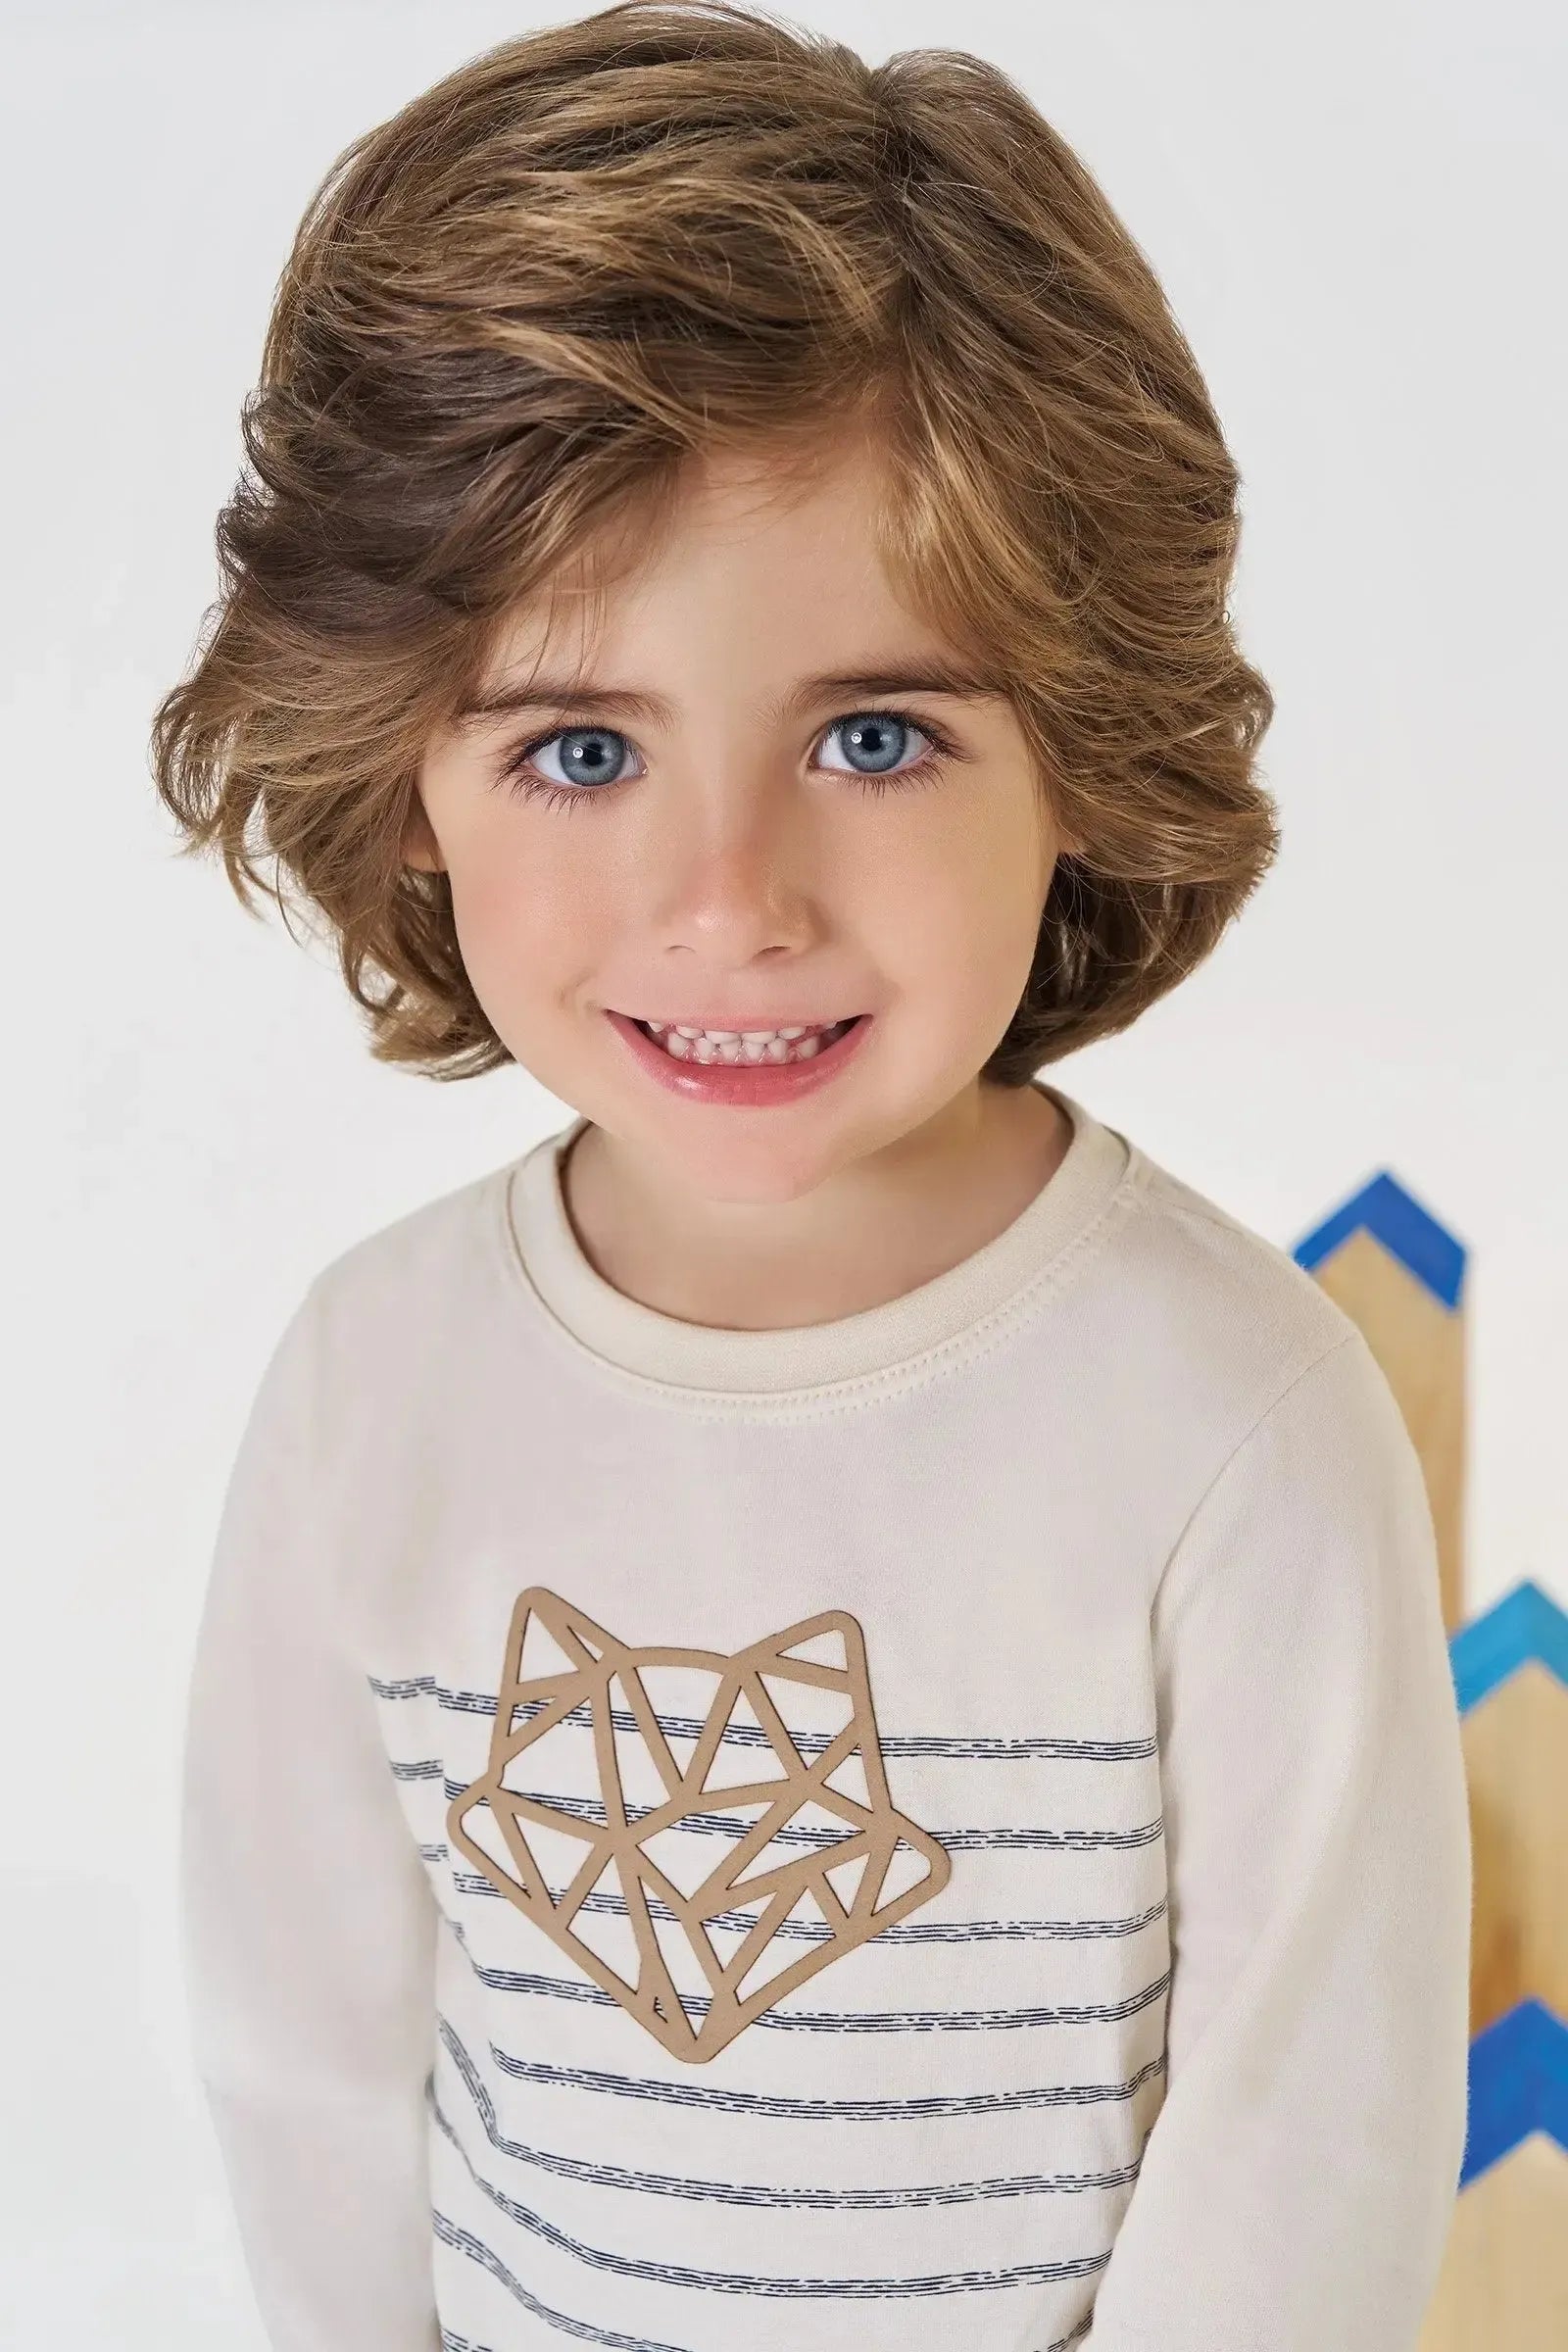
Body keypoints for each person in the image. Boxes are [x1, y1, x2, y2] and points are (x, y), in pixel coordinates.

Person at [154, 6, 1472, 2348]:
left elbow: (1305, 2145)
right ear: (401, 784)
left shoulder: (1234, 1420)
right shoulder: (374, 1385)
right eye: (580, 749)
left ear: (1077, 753)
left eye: (871, 735)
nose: (728, 899)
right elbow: (309, 2058)